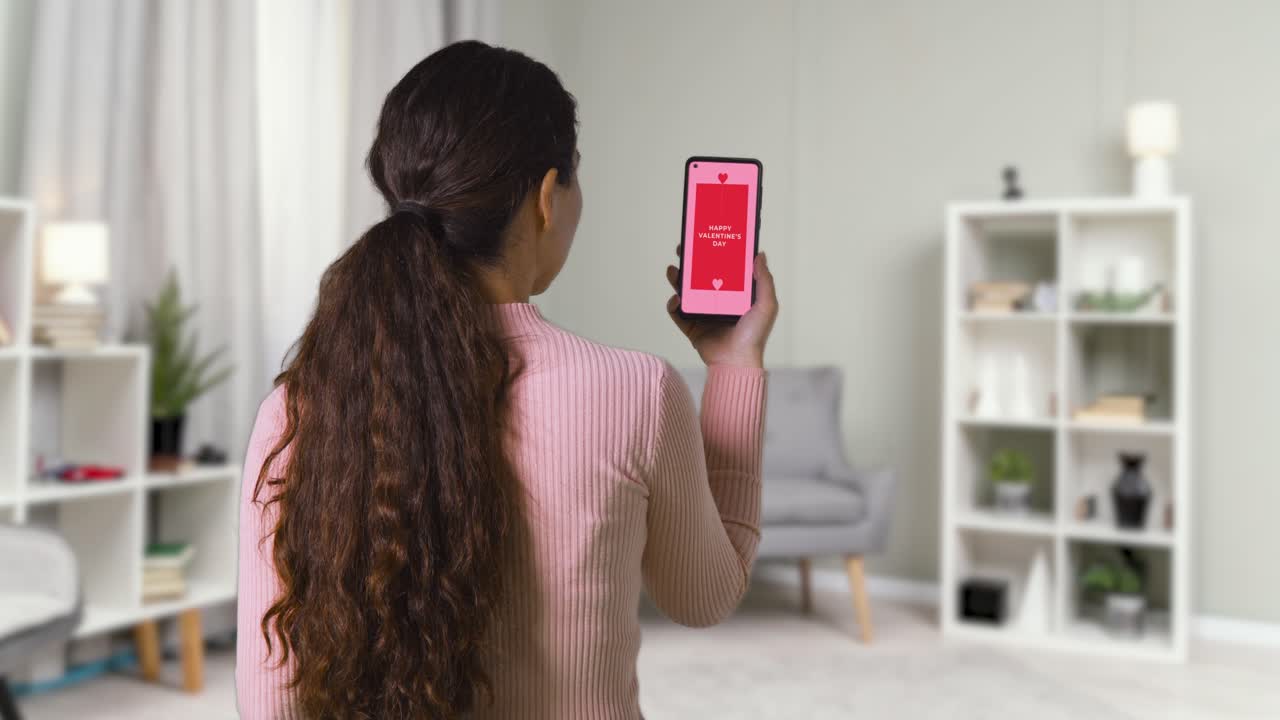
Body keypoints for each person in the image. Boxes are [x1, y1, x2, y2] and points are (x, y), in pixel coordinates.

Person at [236, 40, 778, 720]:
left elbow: (270, 705)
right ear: (548, 197)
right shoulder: (637, 391)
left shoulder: (296, 409)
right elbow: (703, 596)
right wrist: (734, 365)